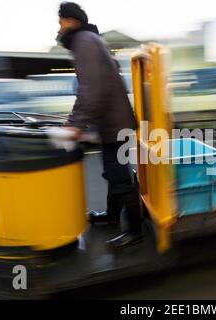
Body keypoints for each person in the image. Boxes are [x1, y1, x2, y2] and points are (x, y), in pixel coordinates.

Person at [56, 2, 142, 249]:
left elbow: (91, 90)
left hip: (113, 123)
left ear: (72, 21)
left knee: (119, 176)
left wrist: (76, 125)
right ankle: (113, 216)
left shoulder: (84, 42)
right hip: (112, 122)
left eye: (61, 22)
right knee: (112, 172)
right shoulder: (92, 40)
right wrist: (80, 122)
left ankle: (135, 231)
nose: (59, 28)